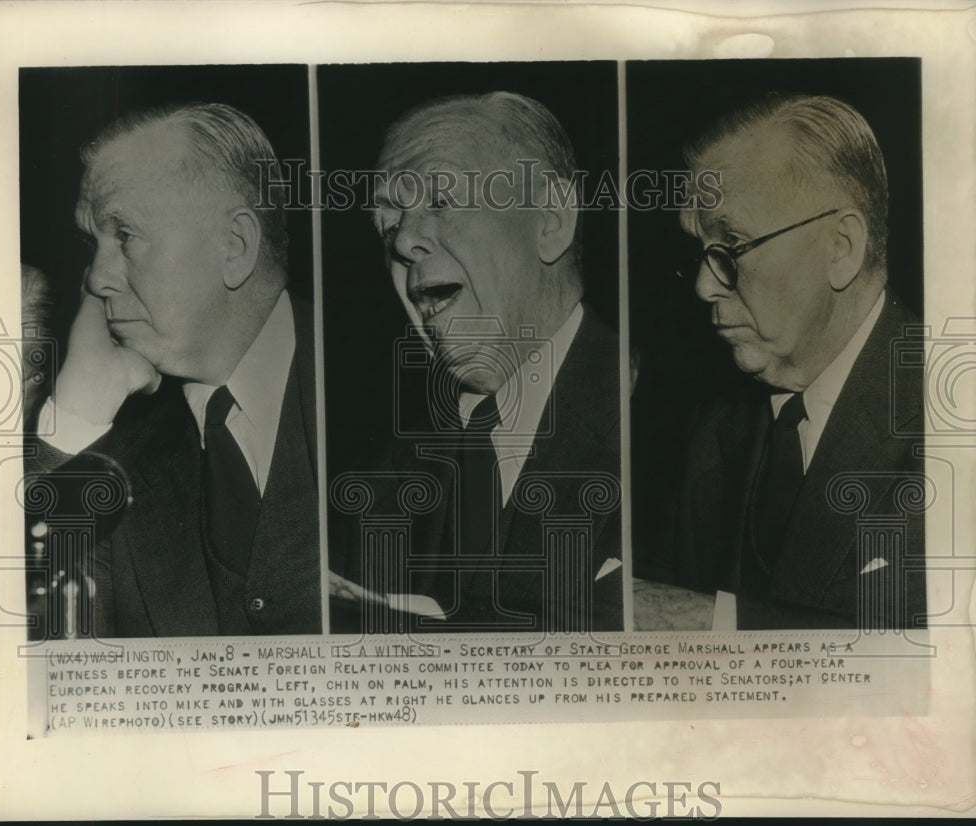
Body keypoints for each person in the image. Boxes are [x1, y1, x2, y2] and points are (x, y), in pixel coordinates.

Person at [332, 91, 623, 633]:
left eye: (441, 199)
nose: (405, 241)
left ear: (551, 220)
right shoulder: (370, 489)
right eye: (388, 223)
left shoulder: (679, 436)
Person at [27, 102, 321, 637]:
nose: (95, 278)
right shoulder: (113, 459)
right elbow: (19, 653)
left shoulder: (392, 400)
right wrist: (74, 419)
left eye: (126, 236)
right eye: (94, 244)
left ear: (235, 247)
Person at [672, 93, 926, 630]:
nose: (702, 287)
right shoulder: (714, 431)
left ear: (841, 247)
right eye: (698, 251)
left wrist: (704, 623)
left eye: (731, 244)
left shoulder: (950, 420)